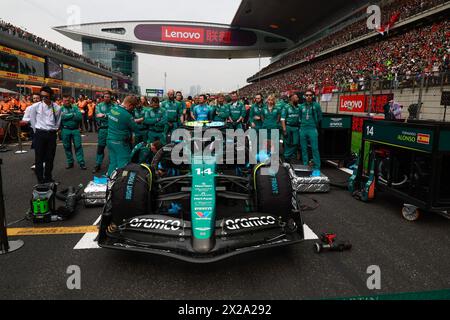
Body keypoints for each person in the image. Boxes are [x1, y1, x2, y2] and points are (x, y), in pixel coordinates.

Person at [20, 86, 62, 184]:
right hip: (39, 134)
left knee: (50, 158)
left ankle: (48, 178)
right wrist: (36, 131)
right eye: (42, 96)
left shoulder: (57, 107)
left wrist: (54, 131)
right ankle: (40, 180)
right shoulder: (35, 107)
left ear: (51, 96)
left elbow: (58, 122)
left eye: (46, 96)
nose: (44, 98)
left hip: (51, 135)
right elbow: (31, 120)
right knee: (39, 158)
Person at [106, 95, 141, 176]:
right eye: (134, 107)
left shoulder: (113, 109)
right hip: (120, 143)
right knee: (124, 165)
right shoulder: (127, 115)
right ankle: (122, 183)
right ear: (130, 105)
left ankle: (110, 181)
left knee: (113, 163)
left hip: (110, 140)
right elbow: (136, 129)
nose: (134, 109)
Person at [299, 90, 323, 177]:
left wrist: (314, 123)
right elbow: (299, 117)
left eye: (310, 95)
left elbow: (320, 117)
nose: (308, 96)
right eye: (307, 95)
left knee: (315, 148)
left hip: (312, 128)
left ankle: (317, 167)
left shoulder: (316, 105)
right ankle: (305, 165)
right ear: (304, 96)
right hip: (303, 128)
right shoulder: (301, 106)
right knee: (304, 148)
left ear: (312, 96)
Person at [60, 95, 86, 170]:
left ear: (70, 100)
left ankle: (81, 163)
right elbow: (61, 117)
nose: (67, 102)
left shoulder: (75, 107)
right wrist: (72, 115)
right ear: (62, 101)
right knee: (67, 147)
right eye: (65, 100)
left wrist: (66, 116)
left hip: (75, 130)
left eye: (68, 100)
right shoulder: (60, 108)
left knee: (78, 146)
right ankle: (70, 162)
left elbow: (79, 117)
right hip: (65, 130)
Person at [93, 91, 115, 174]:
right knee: (100, 148)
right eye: (105, 96)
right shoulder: (99, 105)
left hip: (112, 129)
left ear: (111, 97)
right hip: (102, 129)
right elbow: (98, 116)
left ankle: (112, 166)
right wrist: (107, 116)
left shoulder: (114, 106)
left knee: (112, 148)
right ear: (103, 97)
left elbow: (114, 116)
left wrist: (104, 115)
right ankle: (98, 164)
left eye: (108, 97)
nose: (106, 98)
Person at [281, 94, 301, 162]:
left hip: (296, 127)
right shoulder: (286, 107)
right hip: (288, 126)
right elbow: (283, 119)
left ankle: (287, 155)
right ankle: (288, 158)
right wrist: (284, 129)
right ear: (291, 99)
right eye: (296, 97)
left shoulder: (299, 107)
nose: (298, 99)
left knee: (296, 143)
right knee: (287, 143)